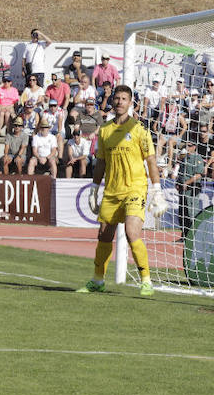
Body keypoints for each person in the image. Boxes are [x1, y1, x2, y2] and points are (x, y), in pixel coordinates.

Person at [78, 85, 166, 297]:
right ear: (112, 101)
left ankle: (146, 280)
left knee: (131, 232)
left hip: (135, 187)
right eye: (116, 98)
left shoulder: (139, 129)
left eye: (124, 99)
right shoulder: (106, 130)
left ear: (130, 103)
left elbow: (151, 161)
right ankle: (98, 280)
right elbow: (100, 162)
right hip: (112, 190)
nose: (119, 102)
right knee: (104, 235)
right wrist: (93, 188)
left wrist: (157, 190)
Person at [176, 138, 205, 237]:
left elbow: (199, 174)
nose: (187, 148)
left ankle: (193, 235)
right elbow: (181, 172)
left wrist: (187, 183)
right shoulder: (184, 157)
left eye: (189, 146)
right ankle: (184, 235)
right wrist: (178, 182)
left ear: (194, 147)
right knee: (182, 213)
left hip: (192, 189)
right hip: (183, 189)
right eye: (186, 145)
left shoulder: (197, 158)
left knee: (191, 212)